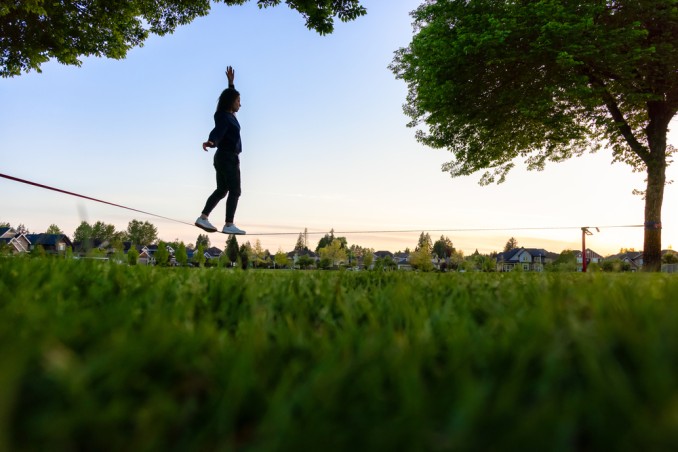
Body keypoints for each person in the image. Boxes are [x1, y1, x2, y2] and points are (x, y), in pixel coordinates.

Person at [195, 66, 246, 235]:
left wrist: (231, 84)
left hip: (223, 158)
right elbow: (218, 130)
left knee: (222, 190)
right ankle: (229, 224)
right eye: (238, 101)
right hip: (228, 158)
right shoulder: (224, 117)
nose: (240, 103)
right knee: (235, 191)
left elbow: (223, 120)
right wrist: (212, 141)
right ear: (231, 102)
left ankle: (203, 218)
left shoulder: (229, 115)